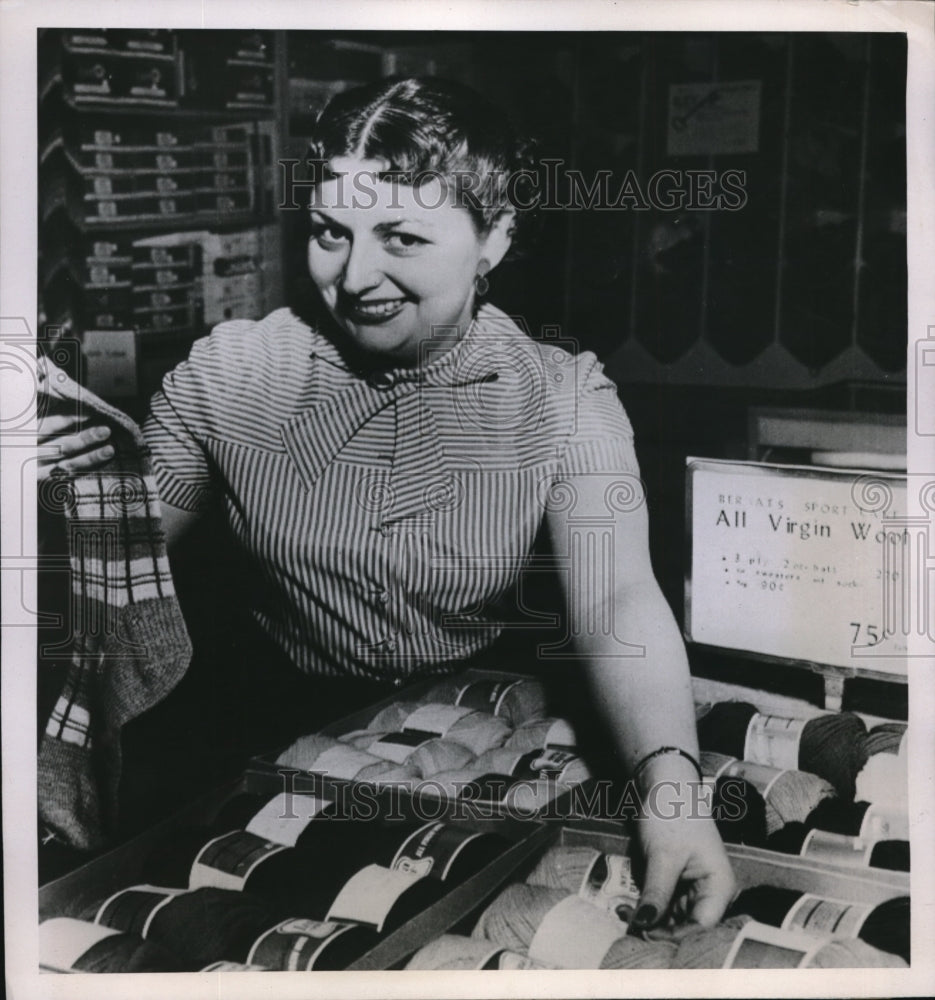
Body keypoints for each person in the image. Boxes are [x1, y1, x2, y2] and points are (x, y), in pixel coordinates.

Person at [38, 76, 735, 935]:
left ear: (495, 239)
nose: (353, 277)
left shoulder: (563, 398)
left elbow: (615, 602)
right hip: (274, 745)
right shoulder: (234, 374)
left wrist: (672, 790)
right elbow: (115, 573)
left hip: (486, 734)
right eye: (331, 233)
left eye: (401, 237)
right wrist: (55, 494)